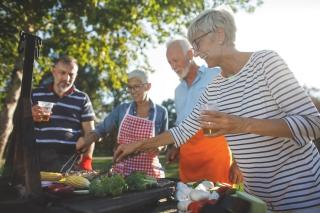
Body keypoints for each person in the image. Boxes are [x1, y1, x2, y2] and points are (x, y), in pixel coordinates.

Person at [110, 7, 320, 213]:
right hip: (256, 197)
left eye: (197, 43)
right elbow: (181, 131)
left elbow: (314, 124)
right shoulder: (214, 87)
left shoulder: (266, 62)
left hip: (301, 190)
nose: (197, 52)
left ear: (219, 35)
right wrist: (136, 145)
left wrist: (242, 124)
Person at [165, 37, 242, 184]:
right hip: (188, 163)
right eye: (169, 63)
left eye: (175, 60)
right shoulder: (178, 91)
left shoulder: (217, 75)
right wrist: (176, 147)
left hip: (216, 157)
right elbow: (182, 126)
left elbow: (240, 113)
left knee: (219, 202)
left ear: (190, 54)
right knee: (188, 202)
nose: (173, 66)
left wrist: (239, 163)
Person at [79, 69, 168, 178]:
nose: (132, 91)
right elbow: (102, 129)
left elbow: (165, 140)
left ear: (147, 86)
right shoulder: (122, 109)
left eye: (136, 86)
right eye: (130, 87)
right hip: (122, 170)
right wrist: (86, 140)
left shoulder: (161, 112)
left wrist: (159, 147)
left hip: (149, 173)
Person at [32, 56, 95, 172]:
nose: (67, 78)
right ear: (53, 71)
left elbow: (90, 133)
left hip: (68, 159)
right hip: (37, 158)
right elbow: (19, 124)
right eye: (63, 73)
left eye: (71, 74)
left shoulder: (82, 98)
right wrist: (29, 115)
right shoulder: (36, 94)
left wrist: (87, 161)